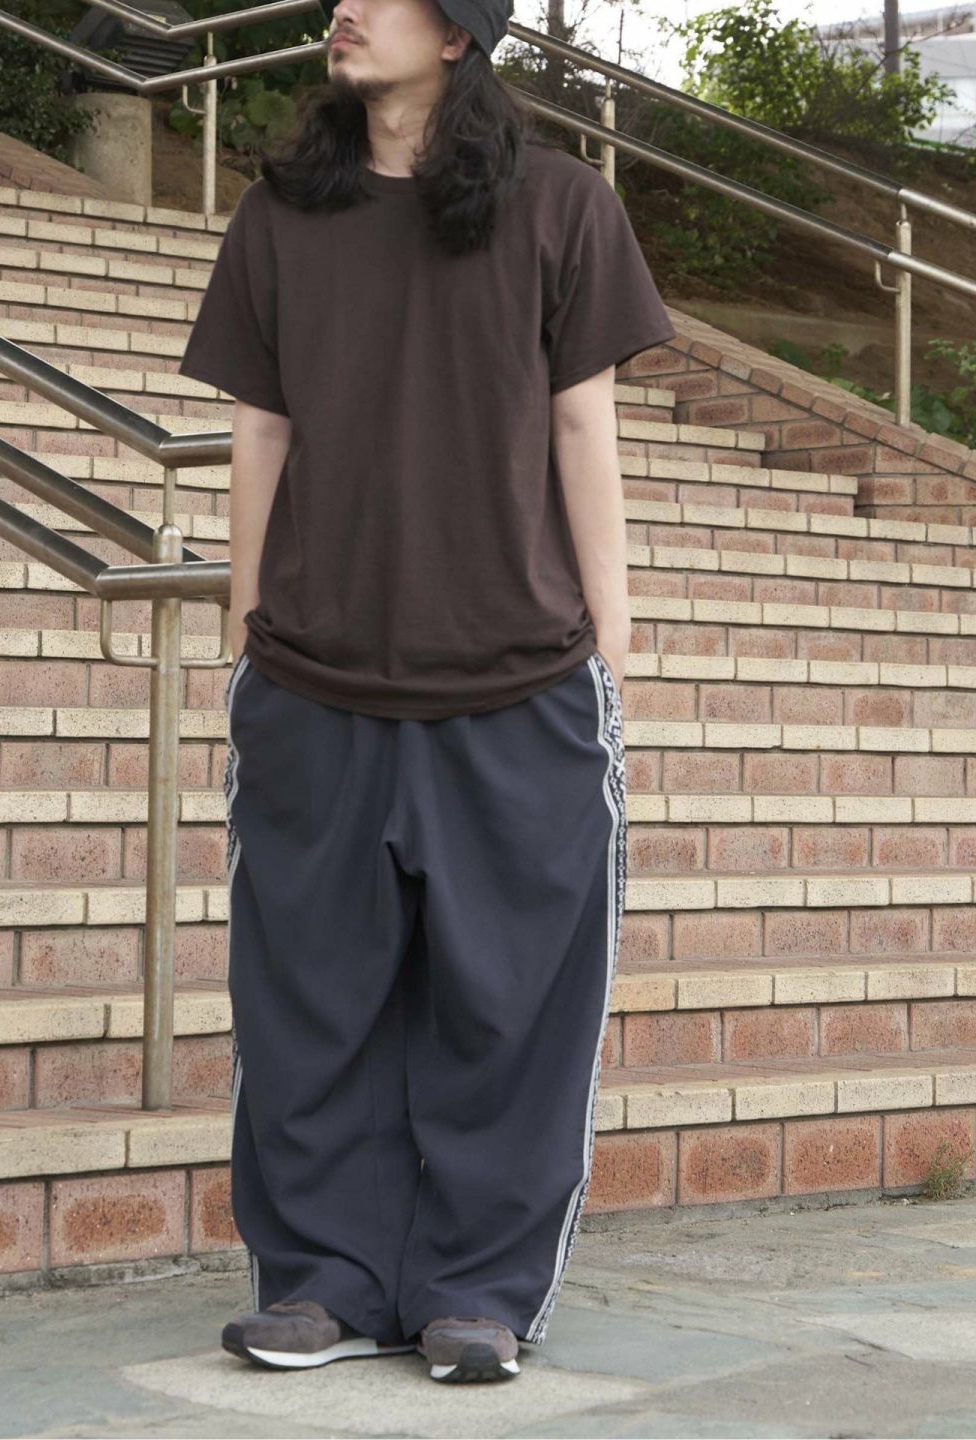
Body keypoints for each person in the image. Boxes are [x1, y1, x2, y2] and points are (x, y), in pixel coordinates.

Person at [177, 0, 675, 1386]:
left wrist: (612, 640)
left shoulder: (562, 206)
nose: (342, 11)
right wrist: (244, 628)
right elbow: (261, 429)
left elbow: (582, 423)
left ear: (458, 33)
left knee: (509, 1012)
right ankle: (323, 1281)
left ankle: (478, 1290)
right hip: (312, 673)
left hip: (518, 677)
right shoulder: (281, 214)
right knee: (309, 1005)